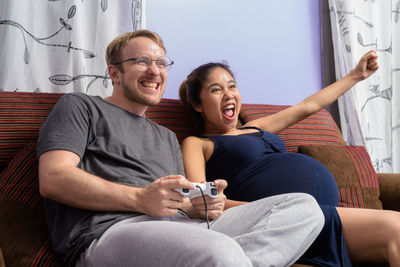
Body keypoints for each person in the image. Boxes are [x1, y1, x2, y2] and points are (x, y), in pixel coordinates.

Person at [36, 30, 325, 267]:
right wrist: (139, 199)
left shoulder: (166, 137)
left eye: (161, 63)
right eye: (142, 61)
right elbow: (54, 178)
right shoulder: (80, 106)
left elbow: (183, 204)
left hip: (182, 228)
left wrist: (203, 206)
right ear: (115, 73)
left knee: (303, 208)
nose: (155, 71)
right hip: (110, 232)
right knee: (219, 251)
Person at [179, 52, 400, 266]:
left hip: (320, 218)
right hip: (285, 221)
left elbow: (307, 107)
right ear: (198, 104)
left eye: (232, 86)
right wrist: (277, 210)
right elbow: (203, 204)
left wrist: (355, 76)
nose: (228, 94)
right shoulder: (197, 144)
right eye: (216, 90)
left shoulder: (257, 127)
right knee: (395, 227)